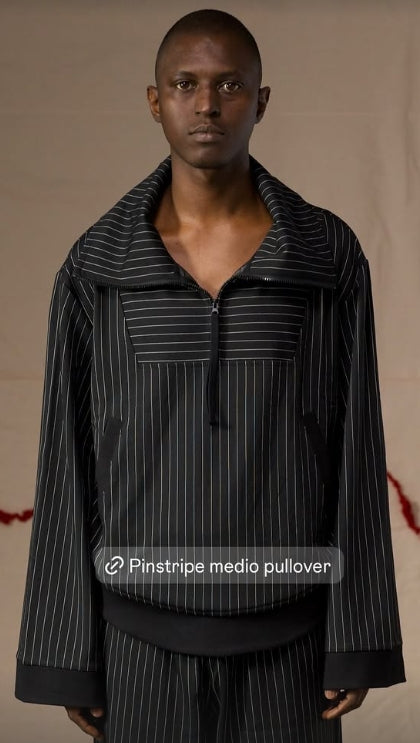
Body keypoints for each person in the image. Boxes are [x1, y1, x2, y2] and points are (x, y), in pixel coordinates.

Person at [15, 9, 405, 743]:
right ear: (154, 100)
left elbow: (356, 448)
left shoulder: (324, 257)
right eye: (184, 84)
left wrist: (357, 637)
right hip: (137, 643)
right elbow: (67, 461)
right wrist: (69, 657)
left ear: (261, 100)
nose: (206, 104)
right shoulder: (97, 265)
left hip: (291, 641)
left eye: (229, 84)